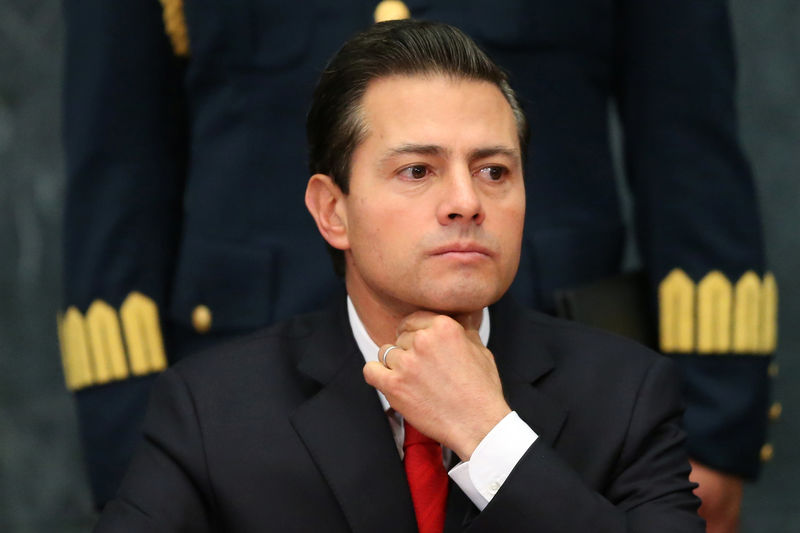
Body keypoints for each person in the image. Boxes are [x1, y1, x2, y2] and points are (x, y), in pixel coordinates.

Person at [61, 2, 774, 529]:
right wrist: (134, 440)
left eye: (494, 170)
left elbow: (689, 147)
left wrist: (716, 411)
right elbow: (116, 163)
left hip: (553, 376)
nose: (462, 201)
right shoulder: (205, 417)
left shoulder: (629, 402)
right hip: (253, 372)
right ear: (329, 208)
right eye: (417, 171)